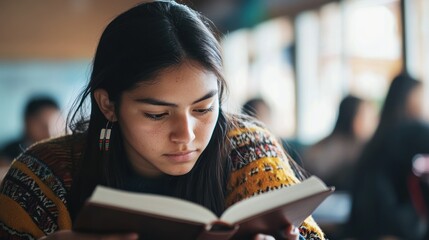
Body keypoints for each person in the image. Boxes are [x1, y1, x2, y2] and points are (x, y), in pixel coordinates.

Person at [0, 1, 326, 240]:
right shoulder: (42, 176)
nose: (186, 135)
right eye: (157, 114)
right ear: (108, 105)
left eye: (203, 109)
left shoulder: (247, 149)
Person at [346, 73, 429, 239]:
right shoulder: (408, 131)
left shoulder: (382, 134)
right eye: (422, 96)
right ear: (410, 98)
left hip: (369, 222)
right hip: (390, 226)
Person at [302, 95, 376, 192]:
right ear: (355, 120)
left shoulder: (323, 144)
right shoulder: (350, 151)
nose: (375, 123)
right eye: (370, 118)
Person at [0, 96, 62, 166]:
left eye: (53, 125)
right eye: (42, 125)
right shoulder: (7, 154)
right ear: (27, 122)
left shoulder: (63, 153)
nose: (48, 131)